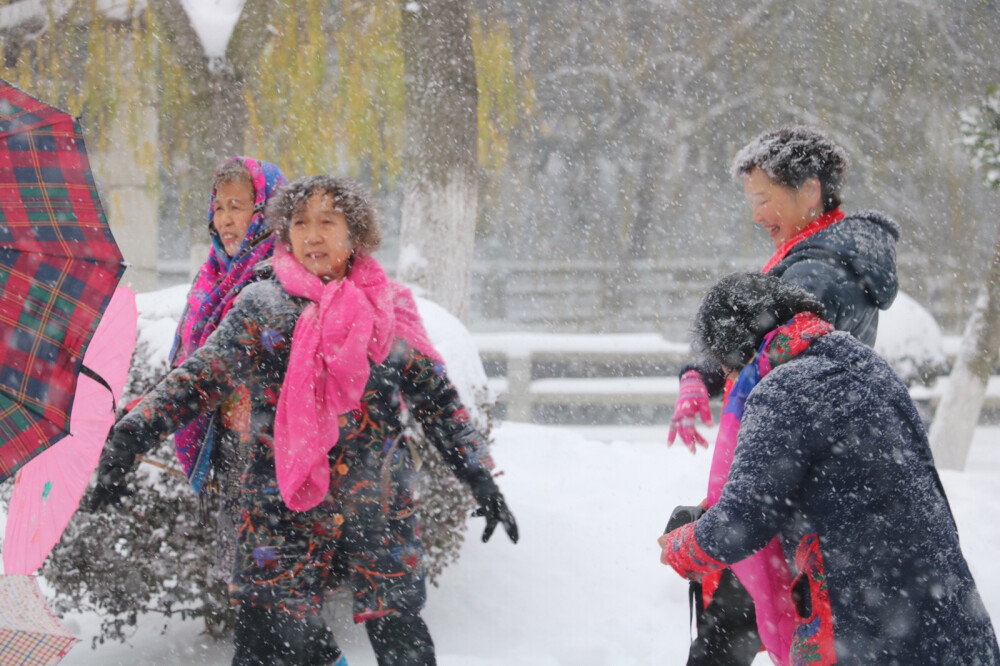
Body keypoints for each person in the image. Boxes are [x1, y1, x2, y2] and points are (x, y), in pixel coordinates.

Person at [91, 175, 518, 666]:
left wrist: (480, 477)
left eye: (327, 222)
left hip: (374, 500)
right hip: (281, 505)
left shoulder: (388, 309)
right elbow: (198, 379)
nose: (312, 235)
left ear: (354, 234)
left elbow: (436, 400)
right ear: (285, 234)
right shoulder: (262, 307)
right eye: (300, 223)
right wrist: (126, 439)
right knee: (263, 640)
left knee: (401, 636)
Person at [659, 272, 1000, 666]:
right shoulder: (861, 361)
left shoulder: (783, 389)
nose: (733, 382)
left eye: (728, 369)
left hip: (866, 622)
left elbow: (746, 518)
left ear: (739, 350)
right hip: (944, 606)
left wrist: (683, 547)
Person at [665, 126, 901, 665]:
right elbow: (755, 334)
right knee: (744, 631)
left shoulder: (818, 272)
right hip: (806, 482)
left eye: (764, 199)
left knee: (729, 635)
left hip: (795, 488)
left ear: (810, 191)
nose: (756, 215)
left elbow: (763, 347)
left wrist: (720, 514)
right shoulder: (814, 257)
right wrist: (700, 375)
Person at [99, 156, 288, 581]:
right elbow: (190, 370)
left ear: (268, 210)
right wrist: (132, 418)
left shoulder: (274, 285)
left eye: (238, 206)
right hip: (235, 463)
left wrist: (138, 429)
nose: (225, 219)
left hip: (274, 471)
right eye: (218, 206)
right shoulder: (212, 278)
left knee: (276, 615)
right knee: (262, 615)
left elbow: (213, 372)